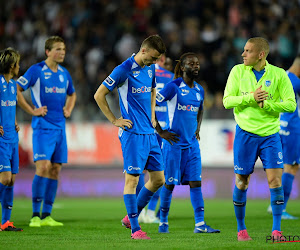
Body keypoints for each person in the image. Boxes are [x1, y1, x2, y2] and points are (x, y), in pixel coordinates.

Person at [94, 35, 174, 240]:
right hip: (132, 134)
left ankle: (131, 217)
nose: (154, 63)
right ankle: (135, 229)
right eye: (153, 58)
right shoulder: (123, 69)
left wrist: (153, 116)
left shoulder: (150, 68)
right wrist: (114, 119)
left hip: (149, 132)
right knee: (132, 181)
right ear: (144, 50)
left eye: (158, 59)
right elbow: (99, 94)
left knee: (158, 179)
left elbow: (153, 90)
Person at [223, 37, 296, 241]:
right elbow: (227, 101)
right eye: (244, 50)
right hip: (245, 133)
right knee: (242, 182)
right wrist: (251, 98)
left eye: (247, 51)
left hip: (271, 135)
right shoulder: (237, 71)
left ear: (261, 54)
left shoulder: (279, 74)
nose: (243, 54)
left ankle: (276, 231)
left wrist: (270, 105)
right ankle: (241, 229)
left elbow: (291, 104)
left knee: (275, 181)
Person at [156, 52, 220, 234]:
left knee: (196, 183)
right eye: (192, 64)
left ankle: (200, 224)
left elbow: (200, 110)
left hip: (192, 145)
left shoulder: (200, 90)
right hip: (173, 144)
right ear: (183, 67)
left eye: (198, 63)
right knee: (169, 184)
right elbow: (153, 104)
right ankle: (163, 222)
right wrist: (161, 132)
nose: (196, 66)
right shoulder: (173, 86)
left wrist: (197, 128)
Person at [17, 36, 76, 227]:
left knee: (55, 169)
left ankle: (47, 215)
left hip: (60, 128)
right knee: (42, 167)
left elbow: (72, 93)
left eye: (64, 49)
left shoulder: (64, 73)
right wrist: (32, 110)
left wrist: (69, 108)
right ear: (47, 52)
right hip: (43, 128)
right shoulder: (36, 70)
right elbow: (16, 89)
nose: (62, 52)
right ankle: (35, 215)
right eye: (58, 49)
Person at [139, 54, 174, 224]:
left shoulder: (141, 73)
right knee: (160, 172)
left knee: (139, 170)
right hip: (163, 128)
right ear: (161, 60)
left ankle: (139, 211)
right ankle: (151, 212)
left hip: (145, 126)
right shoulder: (171, 78)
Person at [267, 55, 300, 219]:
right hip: (292, 127)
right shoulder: (295, 81)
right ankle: (281, 208)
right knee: (291, 166)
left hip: (277, 126)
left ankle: (274, 203)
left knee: (279, 166)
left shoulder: (280, 77)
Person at [0, 48, 23, 231]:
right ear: (11, 65)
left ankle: (6, 222)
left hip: (12, 136)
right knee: (5, 178)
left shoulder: (13, 85)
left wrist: (14, 122)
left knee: (12, 180)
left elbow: (11, 107)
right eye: (17, 63)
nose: (19, 66)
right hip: (1, 139)